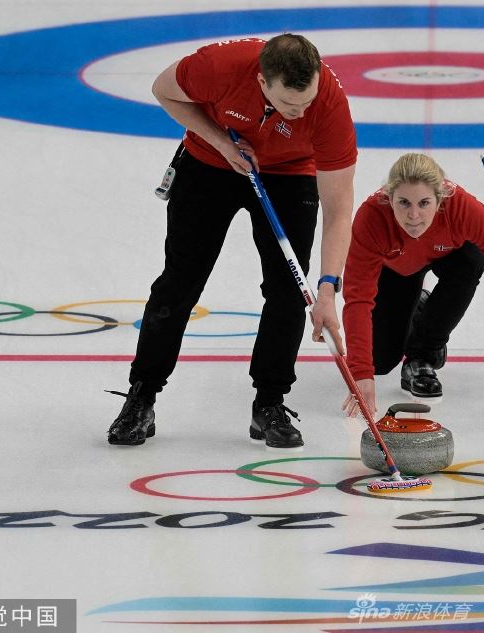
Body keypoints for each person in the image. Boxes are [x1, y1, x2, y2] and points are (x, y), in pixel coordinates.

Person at [107, 33, 357, 448]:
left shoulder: (329, 106)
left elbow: (339, 208)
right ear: (262, 82)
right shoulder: (219, 67)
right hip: (209, 161)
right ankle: (142, 396)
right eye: (289, 104)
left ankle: (270, 403)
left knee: (289, 290)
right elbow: (164, 90)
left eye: (306, 102)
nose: (300, 113)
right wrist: (221, 142)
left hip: (290, 172)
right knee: (179, 282)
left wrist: (329, 288)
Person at [340, 153, 484, 418]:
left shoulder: (461, 208)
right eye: (404, 203)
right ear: (389, 198)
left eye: (424, 203)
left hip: (452, 257)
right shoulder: (371, 218)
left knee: (472, 259)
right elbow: (358, 299)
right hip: (399, 269)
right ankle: (420, 309)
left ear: (440, 198)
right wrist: (361, 374)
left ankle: (422, 355)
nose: (414, 215)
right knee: (380, 361)